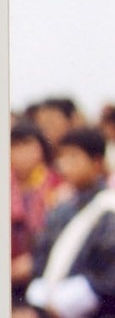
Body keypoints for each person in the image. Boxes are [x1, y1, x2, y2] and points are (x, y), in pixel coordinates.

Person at [26, 128, 115, 318]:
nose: (65, 165)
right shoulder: (62, 207)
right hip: (52, 313)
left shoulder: (111, 209)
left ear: (96, 163)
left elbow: (112, 278)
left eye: (73, 157)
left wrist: (66, 300)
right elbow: (42, 256)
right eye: (62, 157)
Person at [12, 123, 67, 301]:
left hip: (42, 266)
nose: (22, 153)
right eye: (15, 146)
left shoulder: (58, 185)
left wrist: (34, 262)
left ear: (41, 148)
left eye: (28, 145)